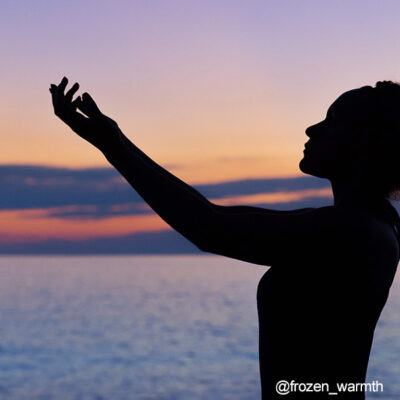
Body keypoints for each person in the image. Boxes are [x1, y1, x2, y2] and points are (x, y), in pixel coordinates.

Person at [49, 78, 400, 399]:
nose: (312, 128)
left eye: (332, 119)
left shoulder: (351, 231)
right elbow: (212, 214)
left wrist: (113, 146)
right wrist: (115, 141)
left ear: (364, 140)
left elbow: (207, 227)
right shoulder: (362, 224)